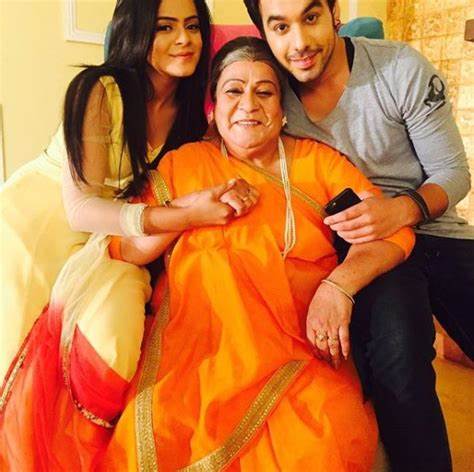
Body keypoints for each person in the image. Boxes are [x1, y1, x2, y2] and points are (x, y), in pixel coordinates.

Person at [97, 37, 413, 469]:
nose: (249, 104)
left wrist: (339, 286)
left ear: (283, 110)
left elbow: (393, 233)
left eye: (264, 92)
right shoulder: (182, 164)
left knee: (322, 444)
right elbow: (126, 248)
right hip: (197, 350)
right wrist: (192, 209)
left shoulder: (318, 163)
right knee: (153, 445)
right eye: (234, 90)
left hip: (299, 348)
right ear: (213, 107)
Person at [243, 0, 474, 470]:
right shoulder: (270, 93)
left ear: (334, 13)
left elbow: (453, 174)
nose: (299, 42)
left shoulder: (399, 68)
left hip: (435, 228)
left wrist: (401, 210)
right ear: (264, 32)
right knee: (398, 358)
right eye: (280, 27)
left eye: (310, 18)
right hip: (364, 253)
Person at [0, 0, 257, 383]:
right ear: (137, 31)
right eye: (165, 27)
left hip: (110, 240)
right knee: (14, 355)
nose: (184, 39)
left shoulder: (191, 116)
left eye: (192, 27)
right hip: (41, 223)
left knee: (106, 338)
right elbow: (81, 209)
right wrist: (185, 216)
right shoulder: (99, 90)